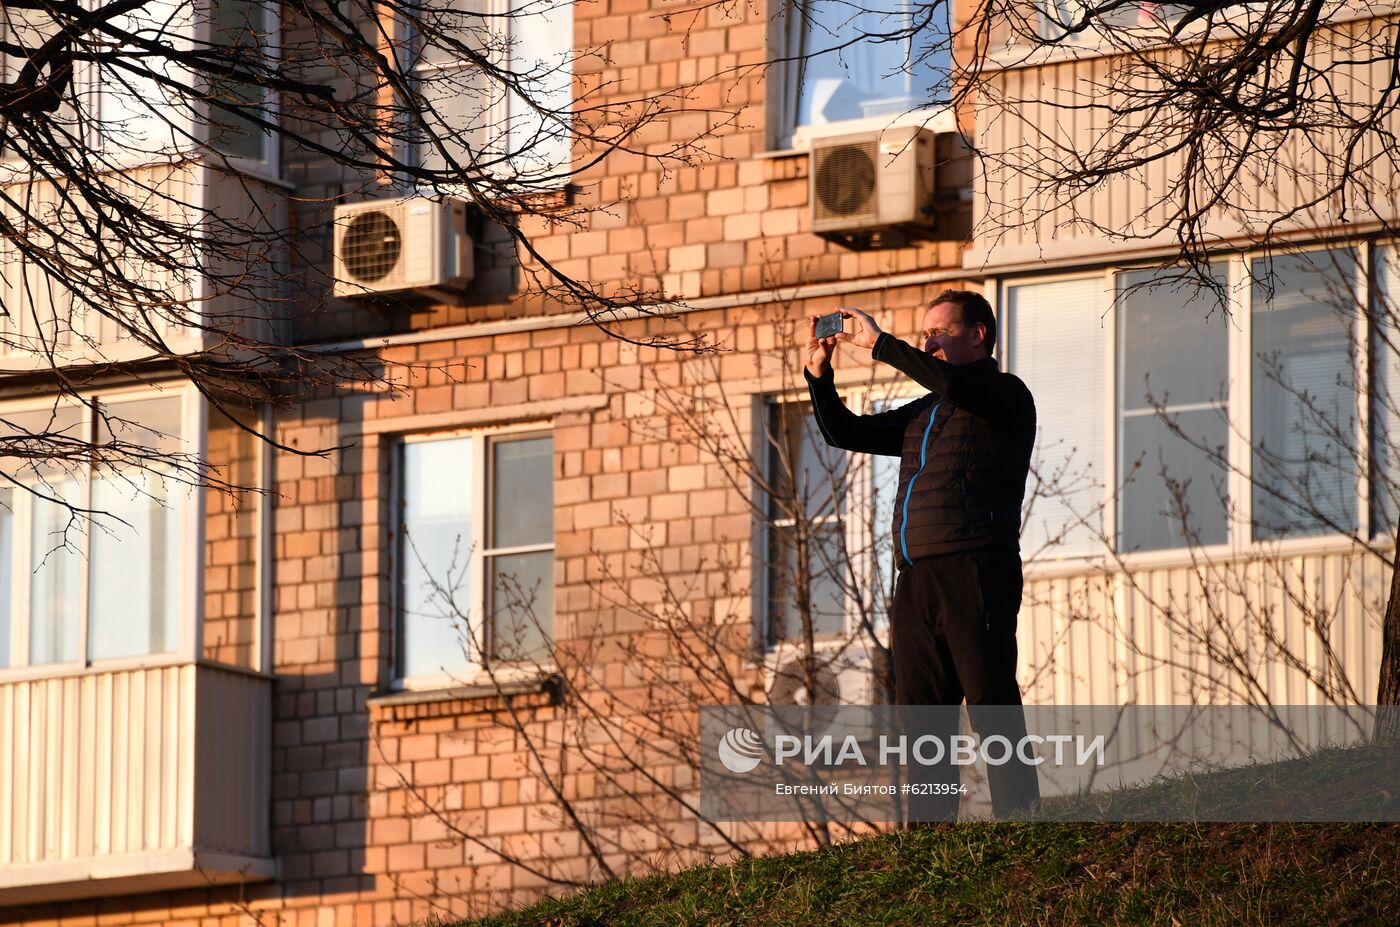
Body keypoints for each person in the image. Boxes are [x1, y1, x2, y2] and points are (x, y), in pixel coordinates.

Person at [802, 290, 1041, 821]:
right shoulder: (928, 409)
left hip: (975, 565)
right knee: (922, 720)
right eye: (924, 334)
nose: (927, 343)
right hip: (915, 579)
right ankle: (931, 837)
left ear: (978, 334)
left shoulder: (1006, 394)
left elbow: (957, 383)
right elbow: (846, 432)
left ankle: (1022, 819)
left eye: (939, 332)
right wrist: (819, 375)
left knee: (989, 701)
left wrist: (882, 344)